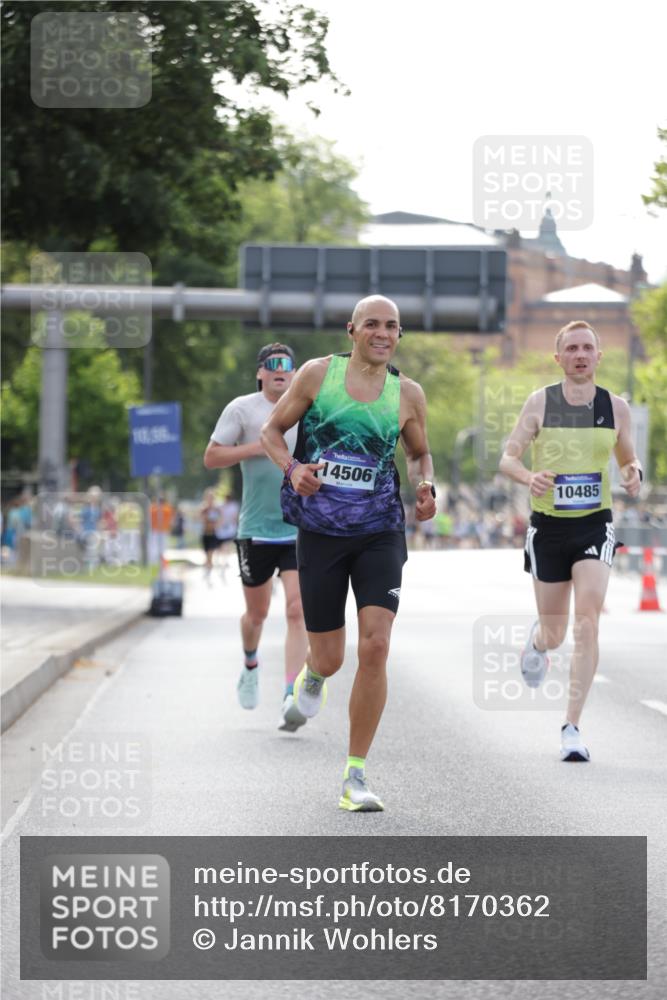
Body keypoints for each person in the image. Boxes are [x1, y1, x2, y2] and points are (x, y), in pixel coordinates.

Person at [261, 295, 437, 811]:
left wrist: (426, 484)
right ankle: (313, 673)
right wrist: (294, 470)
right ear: (352, 330)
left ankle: (354, 774)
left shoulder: (408, 393)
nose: (383, 334)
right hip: (321, 532)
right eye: (373, 325)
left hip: (380, 530)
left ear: (399, 336)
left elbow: (419, 451)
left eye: (393, 327)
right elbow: (271, 432)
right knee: (332, 658)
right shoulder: (318, 377)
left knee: (377, 645)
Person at [499, 320, 642, 762]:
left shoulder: (616, 408)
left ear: (599, 357)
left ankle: (572, 727)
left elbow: (627, 455)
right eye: (572, 349)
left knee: (589, 620)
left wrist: (634, 471)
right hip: (549, 528)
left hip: (594, 524)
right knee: (557, 633)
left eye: (588, 348)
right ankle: (538, 643)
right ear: (558, 358)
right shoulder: (540, 402)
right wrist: (529, 476)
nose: (581, 355)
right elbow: (508, 457)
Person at [204, 343, 309, 732]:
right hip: (255, 529)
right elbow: (212, 456)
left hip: (298, 526)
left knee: (297, 610)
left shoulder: (307, 407)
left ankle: (290, 694)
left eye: (287, 366)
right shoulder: (242, 409)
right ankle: (250, 662)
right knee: (258, 614)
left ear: (295, 374)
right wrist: (263, 445)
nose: (281, 371)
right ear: (261, 373)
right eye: (273, 365)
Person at [200, 488, 222, 582]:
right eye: (208, 497)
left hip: (213, 533)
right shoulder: (204, 509)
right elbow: (200, 519)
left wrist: (216, 524)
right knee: (207, 553)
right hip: (205, 533)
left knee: (210, 552)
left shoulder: (217, 509)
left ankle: (209, 568)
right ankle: (208, 566)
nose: (210, 499)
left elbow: (220, 519)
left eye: (211, 497)